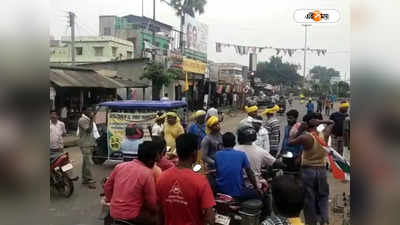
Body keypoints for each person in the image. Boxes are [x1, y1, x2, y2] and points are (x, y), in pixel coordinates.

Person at [157, 134, 216, 225]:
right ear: (194, 153)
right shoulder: (201, 181)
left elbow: (159, 212)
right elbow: (210, 218)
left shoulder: (162, 177)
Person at [288, 112, 334, 225]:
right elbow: (332, 122)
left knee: (309, 199)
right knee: (323, 197)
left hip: (308, 170)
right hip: (322, 170)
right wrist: (321, 122)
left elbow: (290, 142)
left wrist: (299, 130)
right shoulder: (324, 134)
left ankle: (311, 222)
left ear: (305, 124)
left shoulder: (305, 137)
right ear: (315, 123)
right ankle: (324, 220)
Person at [104, 141, 160, 225]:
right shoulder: (147, 173)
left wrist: (111, 201)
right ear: (154, 157)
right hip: (133, 216)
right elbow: (151, 203)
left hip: (114, 212)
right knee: (157, 218)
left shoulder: (120, 166)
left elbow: (107, 186)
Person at [215, 132, 262, 201]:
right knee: (260, 194)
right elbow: (249, 173)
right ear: (234, 143)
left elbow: (218, 172)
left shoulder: (217, 155)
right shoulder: (241, 154)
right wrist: (256, 188)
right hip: (238, 193)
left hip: (221, 192)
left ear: (222, 143)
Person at [78, 107, 97, 189]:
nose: (91, 112)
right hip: (85, 144)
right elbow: (88, 130)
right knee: (89, 162)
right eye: (89, 110)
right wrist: (92, 120)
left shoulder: (88, 120)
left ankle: (85, 178)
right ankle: (90, 180)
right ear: (84, 111)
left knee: (86, 162)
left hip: (89, 143)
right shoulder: (82, 120)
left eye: (91, 110)